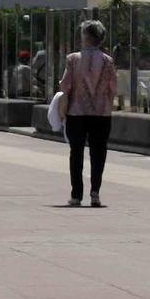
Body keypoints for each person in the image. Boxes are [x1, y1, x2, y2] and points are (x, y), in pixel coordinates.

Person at [59, 21, 116, 207]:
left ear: (87, 36)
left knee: (76, 152)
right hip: (101, 112)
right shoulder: (108, 61)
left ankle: (76, 195)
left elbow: (65, 85)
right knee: (98, 153)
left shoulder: (73, 59)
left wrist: (62, 108)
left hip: (77, 112)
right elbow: (113, 88)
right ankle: (95, 193)